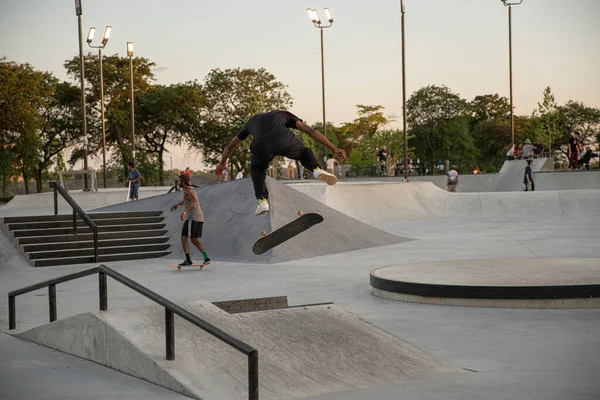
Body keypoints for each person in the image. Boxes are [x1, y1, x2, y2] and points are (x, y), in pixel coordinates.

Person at [215, 110, 346, 215]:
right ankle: (316, 169)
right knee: (303, 153)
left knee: (257, 168)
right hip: (284, 138)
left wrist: (222, 162)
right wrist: (334, 148)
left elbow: (231, 146)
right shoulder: (284, 114)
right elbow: (311, 131)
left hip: (261, 145)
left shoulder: (251, 121)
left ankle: (262, 201)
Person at [170, 173, 210, 266]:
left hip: (193, 217)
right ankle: (206, 257)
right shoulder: (188, 190)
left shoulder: (188, 190)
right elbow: (187, 200)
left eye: (180, 180)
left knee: (184, 237)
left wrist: (184, 212)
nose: (179, 182)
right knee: (194, 240)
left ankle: (188, 260)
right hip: (199, 217)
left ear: (184, 181)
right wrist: (177, 205)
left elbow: (194, 201)